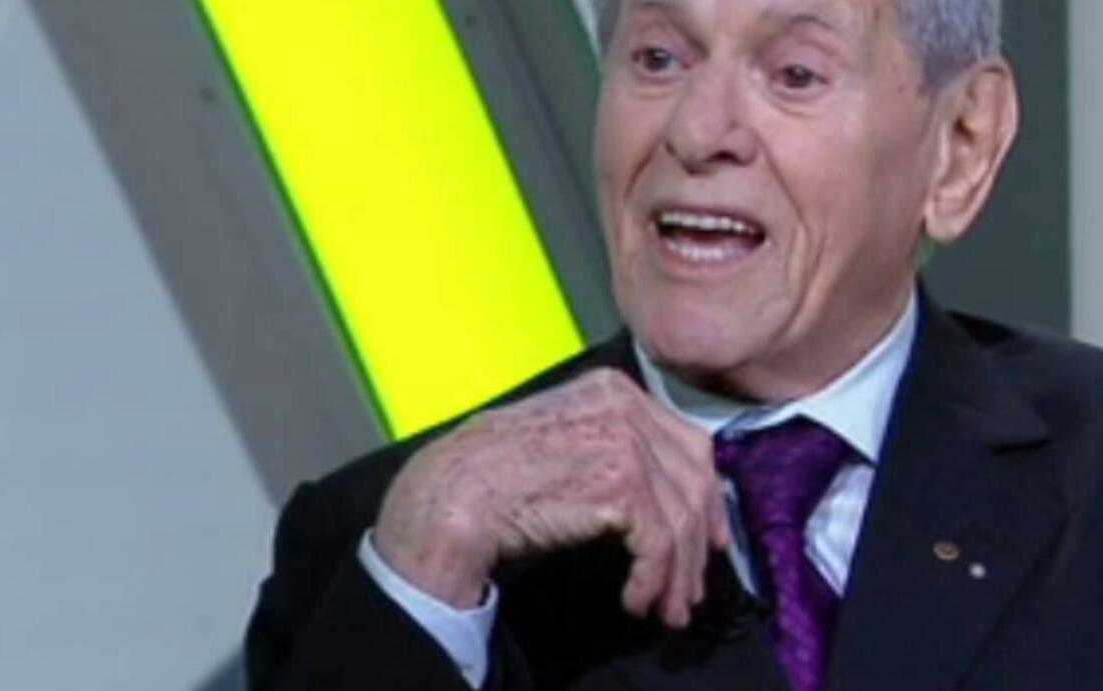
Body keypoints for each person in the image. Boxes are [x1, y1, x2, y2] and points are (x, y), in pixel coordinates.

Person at [246, 0, 1103, 688]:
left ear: (961, 145)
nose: (697, 131)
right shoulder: (385, 550)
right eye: (658, 59)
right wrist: (433, 564)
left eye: (795, 74)